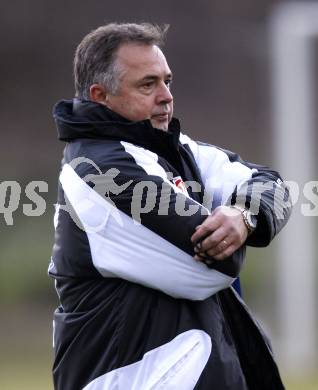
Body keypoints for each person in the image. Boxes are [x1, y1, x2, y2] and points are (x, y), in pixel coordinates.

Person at [49, 23, 291, 390]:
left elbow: (273, 184)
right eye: (147, 85)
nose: (165, 96)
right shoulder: (100, 169)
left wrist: (243, 214)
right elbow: (218, 266)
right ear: (100, 95)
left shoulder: (174, 149)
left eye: (167, 81)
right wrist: (238, 224)